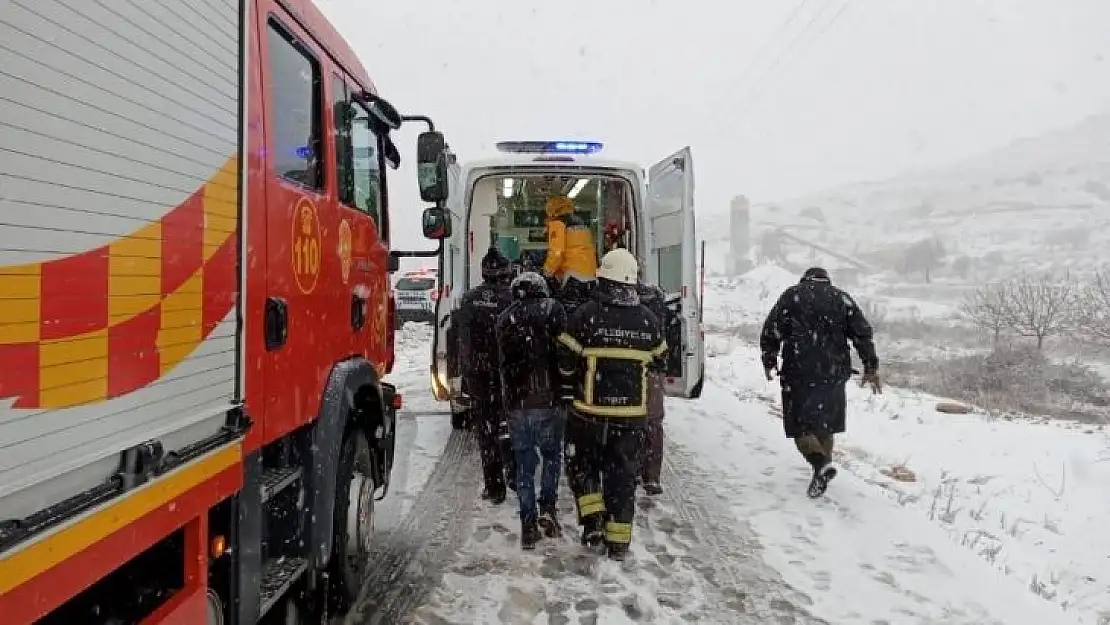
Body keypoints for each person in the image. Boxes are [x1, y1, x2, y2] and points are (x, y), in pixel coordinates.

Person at [557, 248, 667, 560]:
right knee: (622, 477)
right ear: (632, 283)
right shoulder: (647, 321)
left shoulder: (585, 315)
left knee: (584, 467)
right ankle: (618, 542)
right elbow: (661, 360)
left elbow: (564, 361)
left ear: (602, 278)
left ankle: (592, 522)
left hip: (589, 414)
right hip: (631, 417)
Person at [759, 267, 881, 498]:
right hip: (833, 372)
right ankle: (822, 467)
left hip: (799, 371)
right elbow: (862, 334)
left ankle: (820, 463)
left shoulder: (793, 296)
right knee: (825, 424)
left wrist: (769, 359)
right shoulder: (841, 298)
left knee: (800, 425)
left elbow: (772, 329)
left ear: (804, 279)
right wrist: (870, 366)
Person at [495, 272, 568, 550]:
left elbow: (502, 364)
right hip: (550, 400)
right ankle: (547, 506)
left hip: (517, 404)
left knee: (524, 465)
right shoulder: (554, 310)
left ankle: (527, 525)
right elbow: (564, 354)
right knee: (552, 456)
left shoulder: (505, 319)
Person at [456, 248, 515, 504]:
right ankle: (513, 475)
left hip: (479, 376)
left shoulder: (469, 299)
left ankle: (494, 486)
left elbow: (462, 341)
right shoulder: (513, 298)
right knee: (510, 426)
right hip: (506, 374)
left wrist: (467, 374)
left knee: (486, 432)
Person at [635, 278, 668, 496]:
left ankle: (634, 467)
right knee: (653, 424)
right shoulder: (655, 300)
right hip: (653, 371)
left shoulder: (628, 304)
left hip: (632, 370)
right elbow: (662, 348)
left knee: (631, 422)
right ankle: (652, 476)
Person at [542, 195, 597, 315]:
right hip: (590, 278)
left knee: (565, 315)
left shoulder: (558, 223)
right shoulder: (581, 224)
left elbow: (557, 253)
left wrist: (546, 273)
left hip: (571, 279)